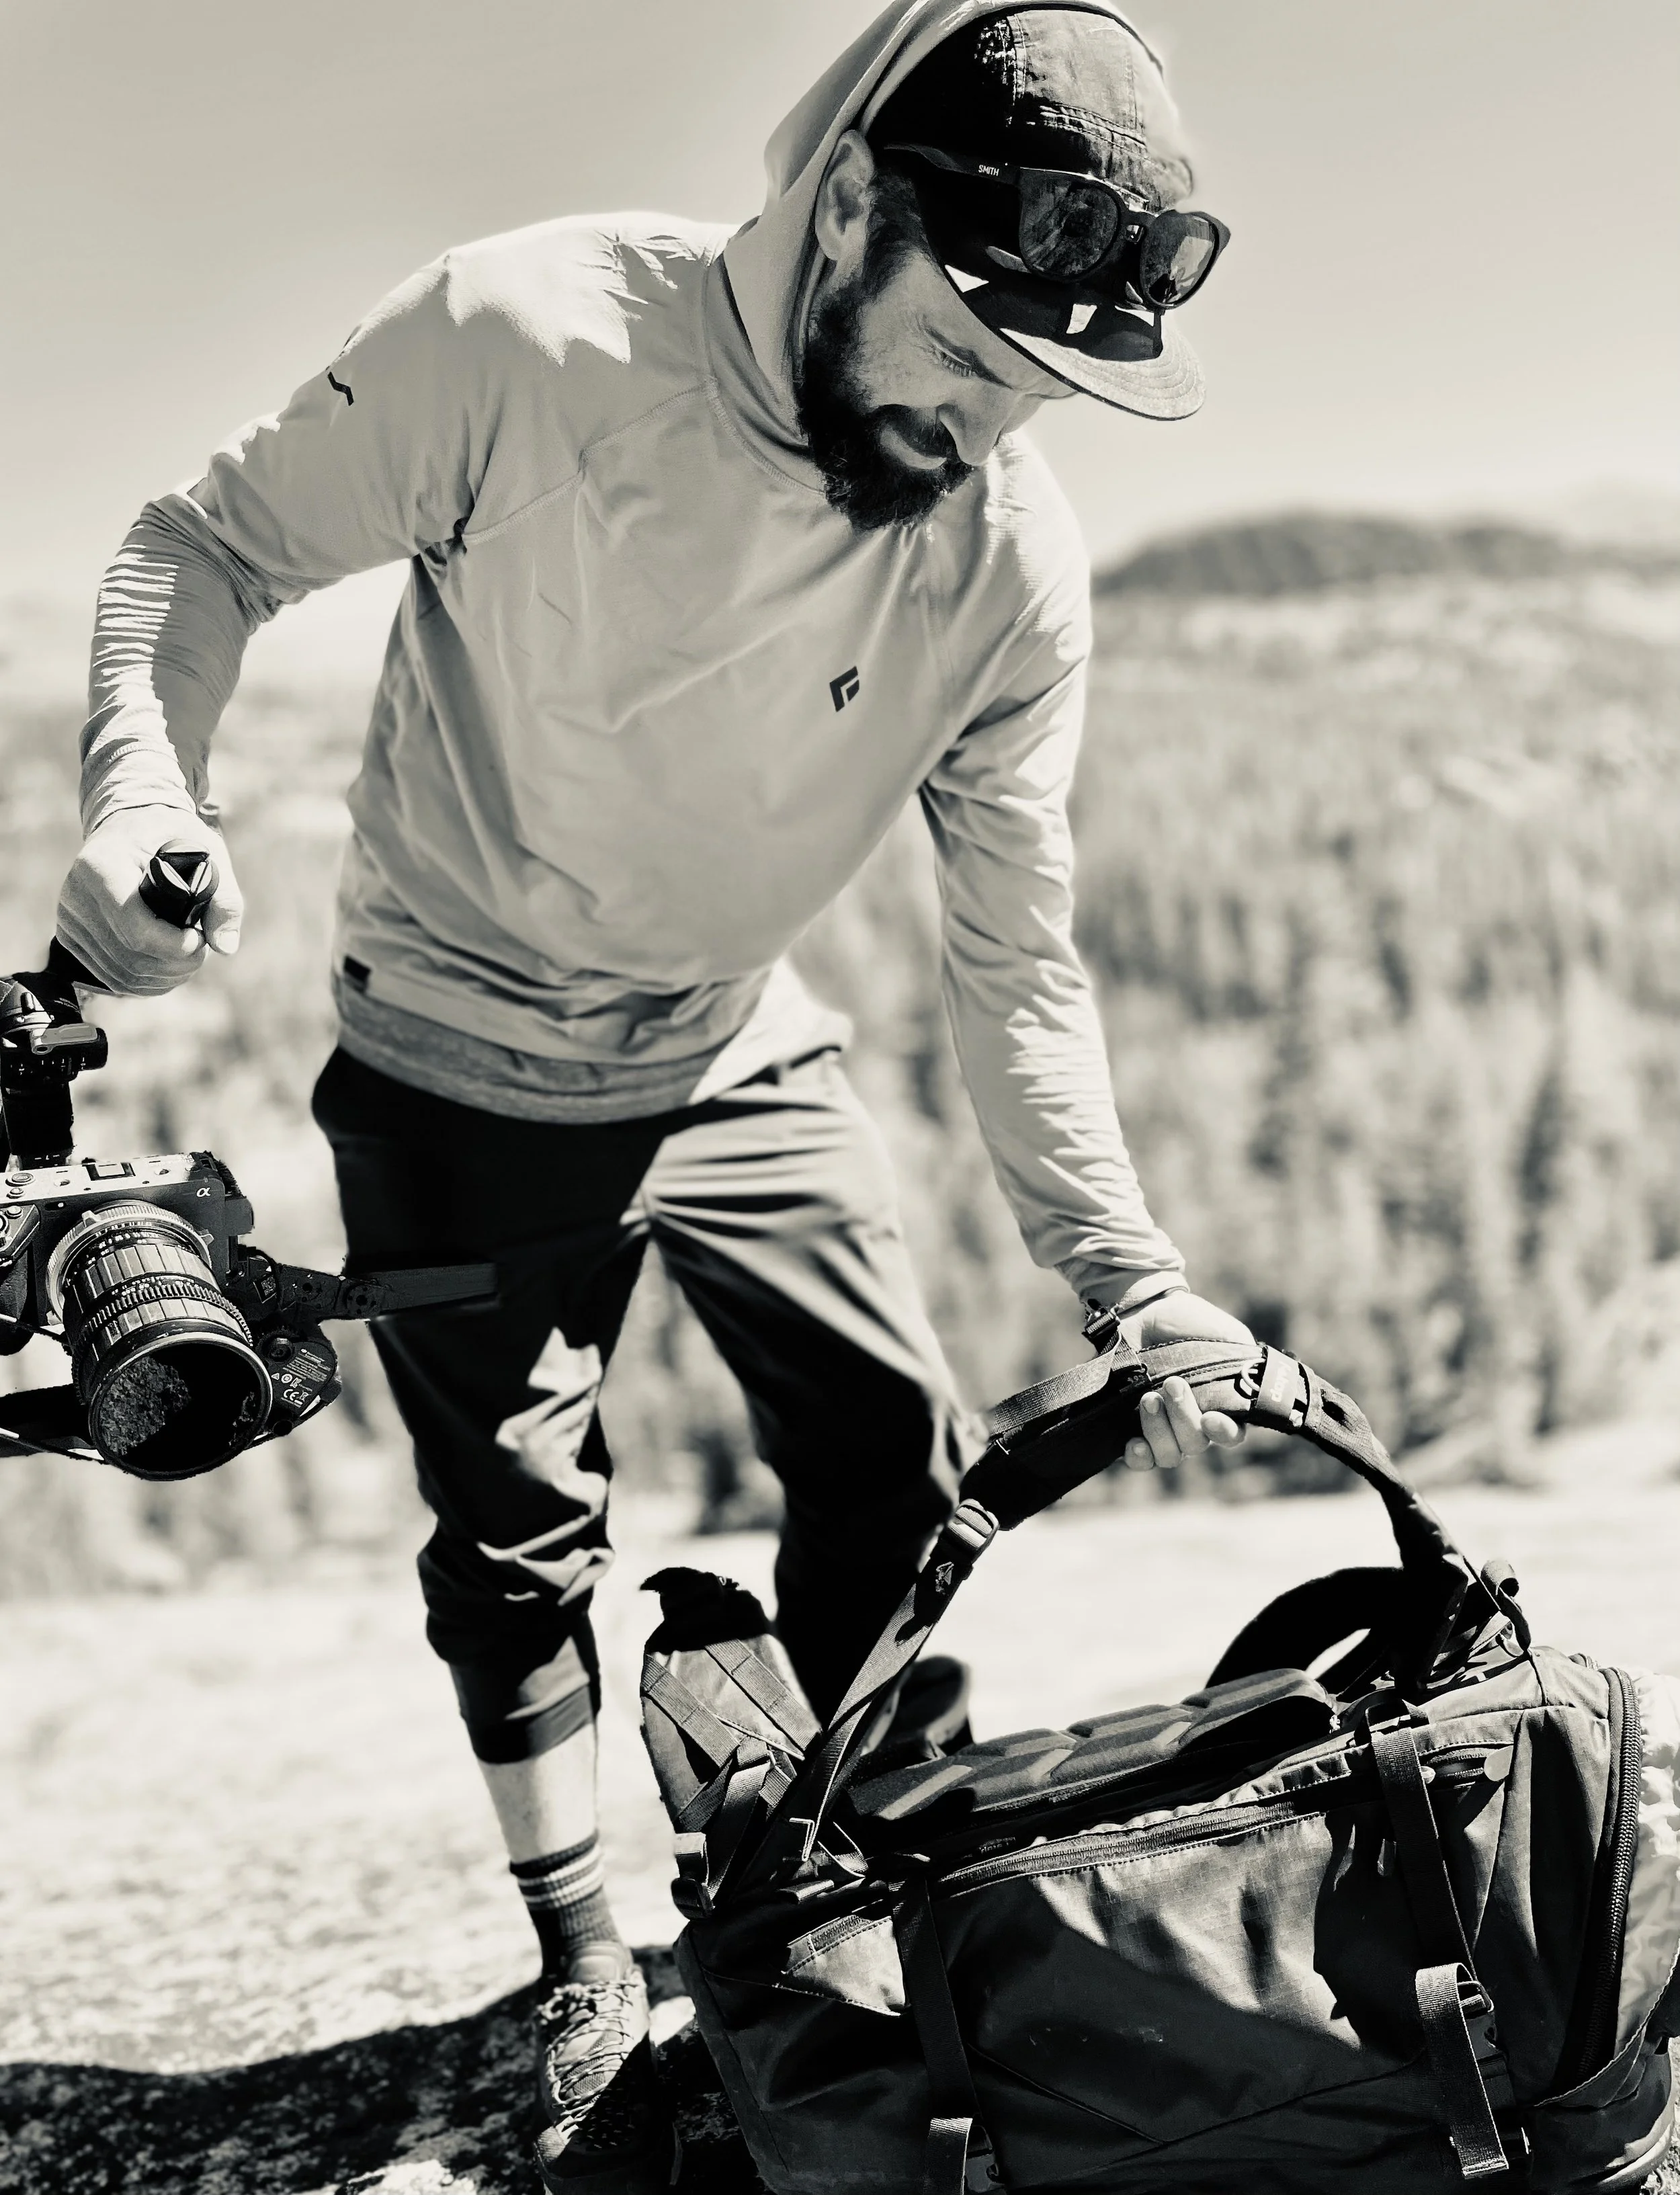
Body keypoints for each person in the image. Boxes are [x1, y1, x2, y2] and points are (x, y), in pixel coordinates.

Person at [55, 1, 1253, 2184]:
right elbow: (193, 549)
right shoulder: (526, 340)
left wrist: (1129, 1277)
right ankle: (574, 1955)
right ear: (849, 204)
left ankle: (831, 1883)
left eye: (1040, 390)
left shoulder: (1004, 556)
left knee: (887, 1444)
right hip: (455, 1045)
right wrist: (148, 788)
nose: (985, 430)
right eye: (963, 354)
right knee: (519, 1533)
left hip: (733, 1037)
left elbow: (1016, 958)